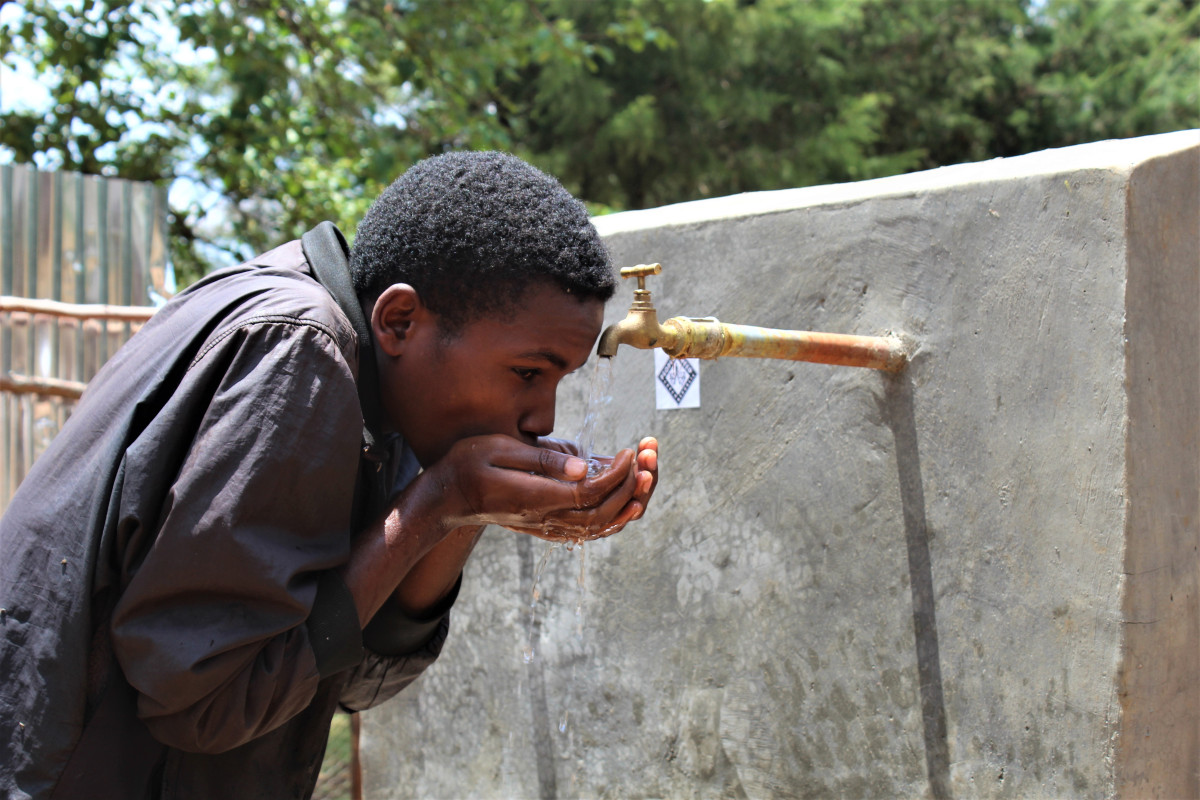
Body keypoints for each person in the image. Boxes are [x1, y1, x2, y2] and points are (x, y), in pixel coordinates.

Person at [0, 151, 658, 799]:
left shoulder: (376, 382)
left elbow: (352, 677)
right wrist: (438, 500)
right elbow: (204, 704)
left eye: (558, 382)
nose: (542, 418)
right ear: (400, 320)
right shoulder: (299, 348)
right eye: (526, 373)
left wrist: (465, 509)